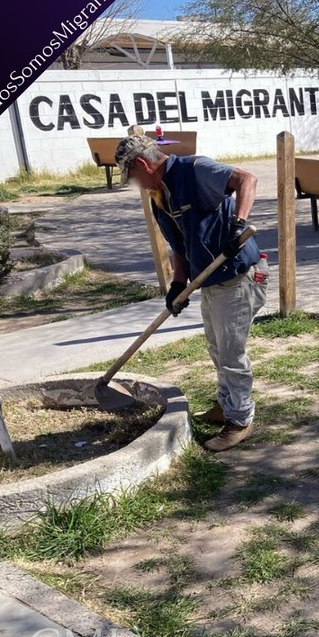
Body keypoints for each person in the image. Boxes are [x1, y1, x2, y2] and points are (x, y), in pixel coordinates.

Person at [114, 134, 266, 452]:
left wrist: (238, 224)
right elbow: (179, 245)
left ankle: (240, 420)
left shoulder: (194, 170)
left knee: (230, 353)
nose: (135, 184)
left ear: (142, 165)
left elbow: (246, 179)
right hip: (210, 281)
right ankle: (225, 405)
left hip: (236, 276)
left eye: (132, 176)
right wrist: (177, 284)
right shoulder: (159, 196)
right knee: (216, 348)